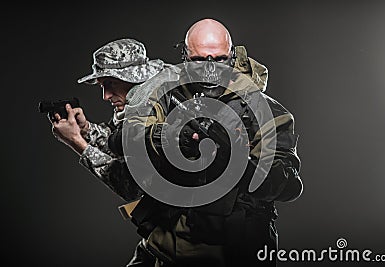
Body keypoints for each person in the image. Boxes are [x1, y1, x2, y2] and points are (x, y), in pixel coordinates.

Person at [122, 18, 303, 267]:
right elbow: (127, 136)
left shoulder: (264, 111)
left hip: (234, 253)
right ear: (185, 57)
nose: (210, 69)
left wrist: (238, 163)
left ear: (232, 56)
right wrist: (170, 136)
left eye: (219, 60)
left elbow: (289, 185)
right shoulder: (166, 95)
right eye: (199, 60)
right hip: (164, 248)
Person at [50, 38, 166, 264]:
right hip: (165, 231)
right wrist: (86, 130)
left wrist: (76, 142)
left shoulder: (157, 111)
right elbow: (119, 144)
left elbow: (132, 185)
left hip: (189, 237)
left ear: (132, 78)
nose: (105, 95)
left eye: (110, 84)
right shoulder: (140, 101)